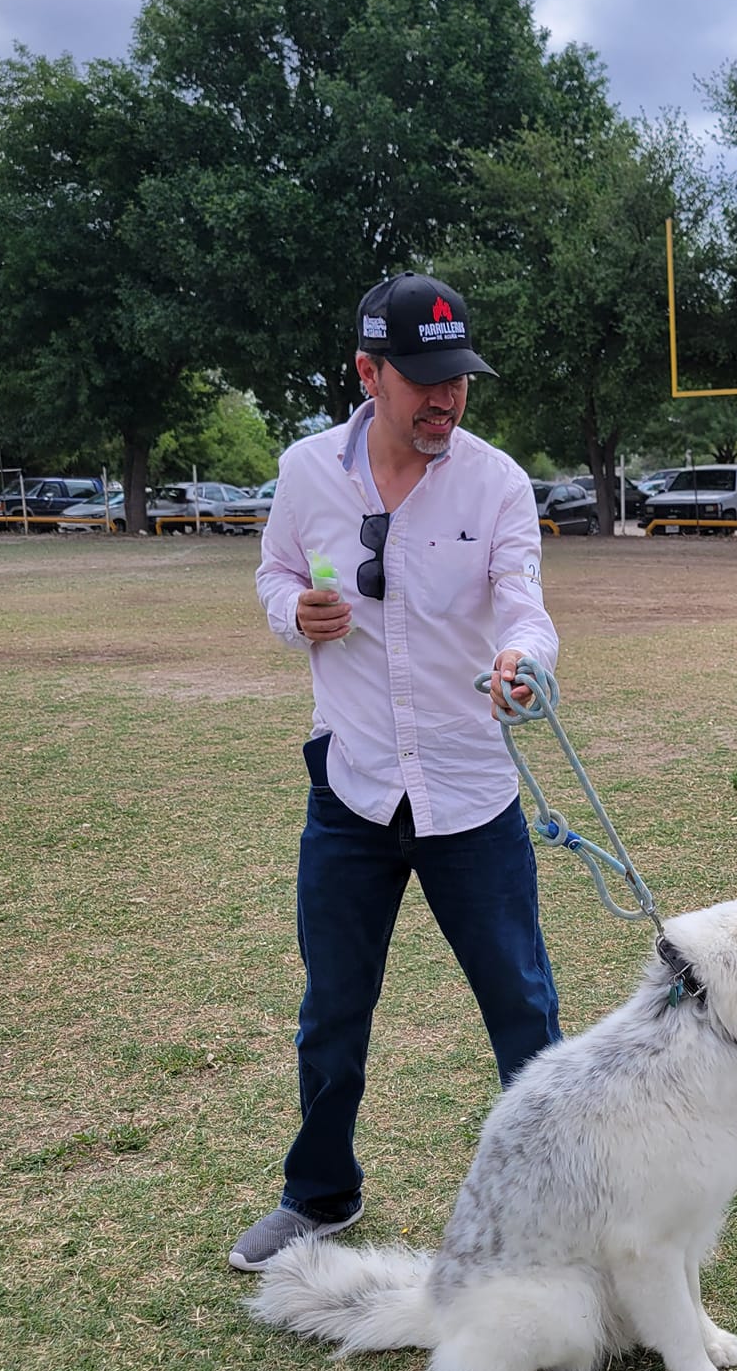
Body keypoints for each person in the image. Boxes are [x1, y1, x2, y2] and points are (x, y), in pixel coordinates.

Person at [231, 273, 562, 1272]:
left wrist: (525, 664)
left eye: (458, 379)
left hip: (472, 793)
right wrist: (299, 615)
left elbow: (524, 606)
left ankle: (556, 1197)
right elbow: (275, 573)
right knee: (332, 1007)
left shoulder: (496, 480)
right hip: (355, 789)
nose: (446, 400)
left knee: (523, 1005)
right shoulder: (305, 473)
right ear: (369, 372)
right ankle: (318, 1192)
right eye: (422, 380)